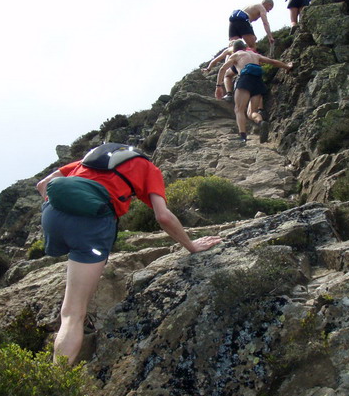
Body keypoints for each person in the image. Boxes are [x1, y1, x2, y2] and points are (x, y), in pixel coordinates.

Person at [36, 148, 222, 365]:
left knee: (72, 293)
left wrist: (65, 207)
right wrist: (190, 245)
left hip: (51, 216)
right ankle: (57, 382)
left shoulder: (91, 159)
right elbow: (162, 216)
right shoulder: (147, 168)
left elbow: (42, 185)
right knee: (73, 314)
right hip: (92, 223)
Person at [214, 40, 293, 143]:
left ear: (234, 49)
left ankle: (242, 136)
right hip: (258, 82)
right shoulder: (254, 54)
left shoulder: (236, 55)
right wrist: (287, 66)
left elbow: (222, 69)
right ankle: (261, 122)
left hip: (245, 81)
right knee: (252, 112)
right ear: (244, 47)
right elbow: (272, 61)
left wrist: (218, 86)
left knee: (239, 109)